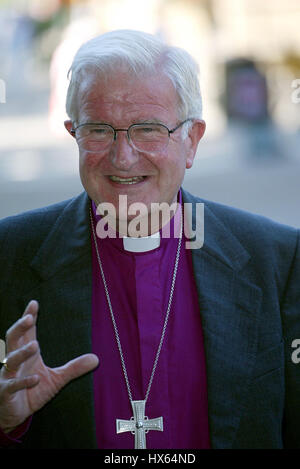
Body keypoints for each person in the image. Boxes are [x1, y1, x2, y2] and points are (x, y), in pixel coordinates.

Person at [0, 29, 299, 450]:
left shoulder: (279, 260)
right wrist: (7, 422)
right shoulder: (8, 256)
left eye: (148, 130)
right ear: (73, 134)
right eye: (99, 130)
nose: (123, 157)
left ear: (191, 140)